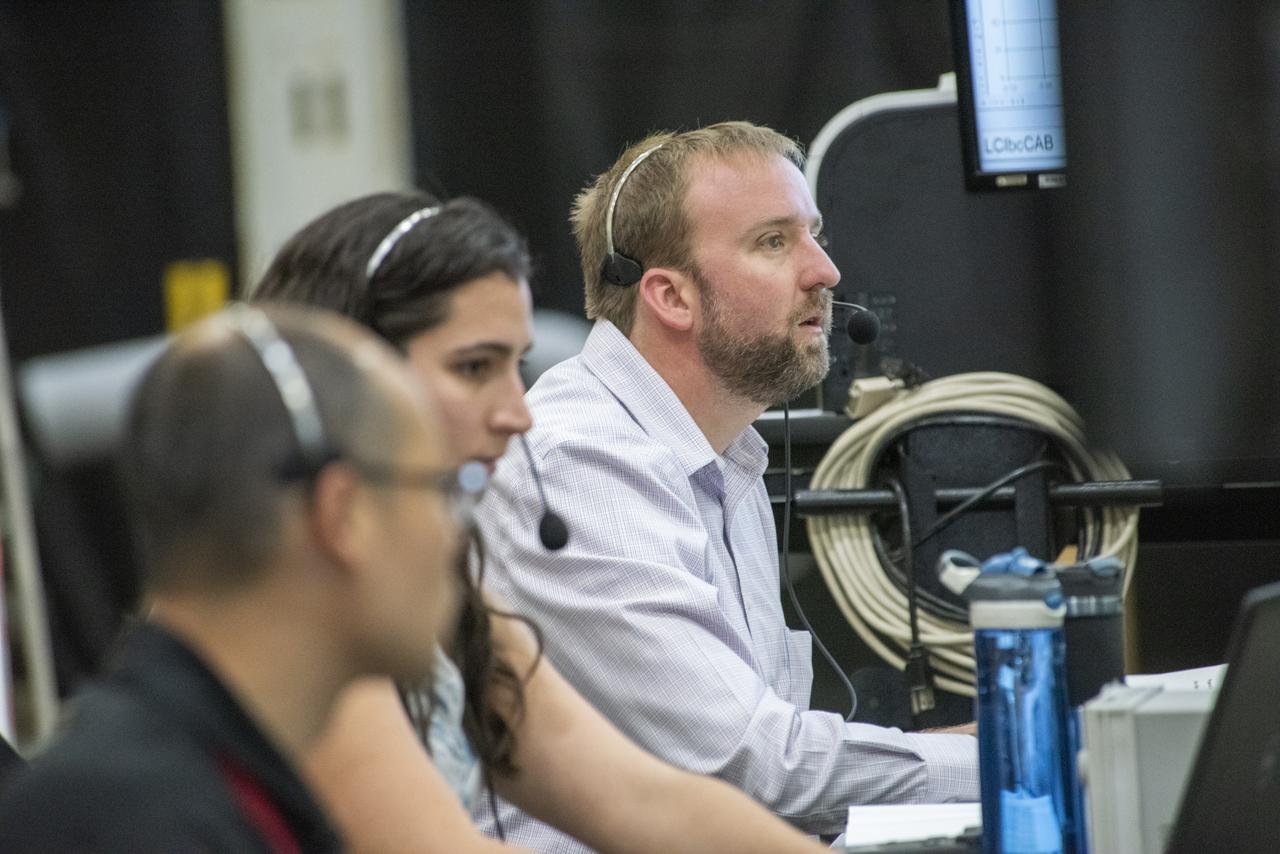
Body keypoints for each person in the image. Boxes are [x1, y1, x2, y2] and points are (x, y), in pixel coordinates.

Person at [253, 190, 833, 853]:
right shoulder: (294, 619)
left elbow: (638, 799)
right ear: (349, 371)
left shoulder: (439, 597)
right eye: (474, 367)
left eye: (515, 365)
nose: (517, 412)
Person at [476, 121, 981, 850]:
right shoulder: (581, 464)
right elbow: (749, 762)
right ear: (671, 297)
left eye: (814, 234)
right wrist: (1002, 757)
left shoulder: (718, 452)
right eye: (773, 242)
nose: (825, 272)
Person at [0, 303, 465, 851]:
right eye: (440, 490)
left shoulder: (215, 785)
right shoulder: (137, 824)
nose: (452, 535)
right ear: (342, 513)